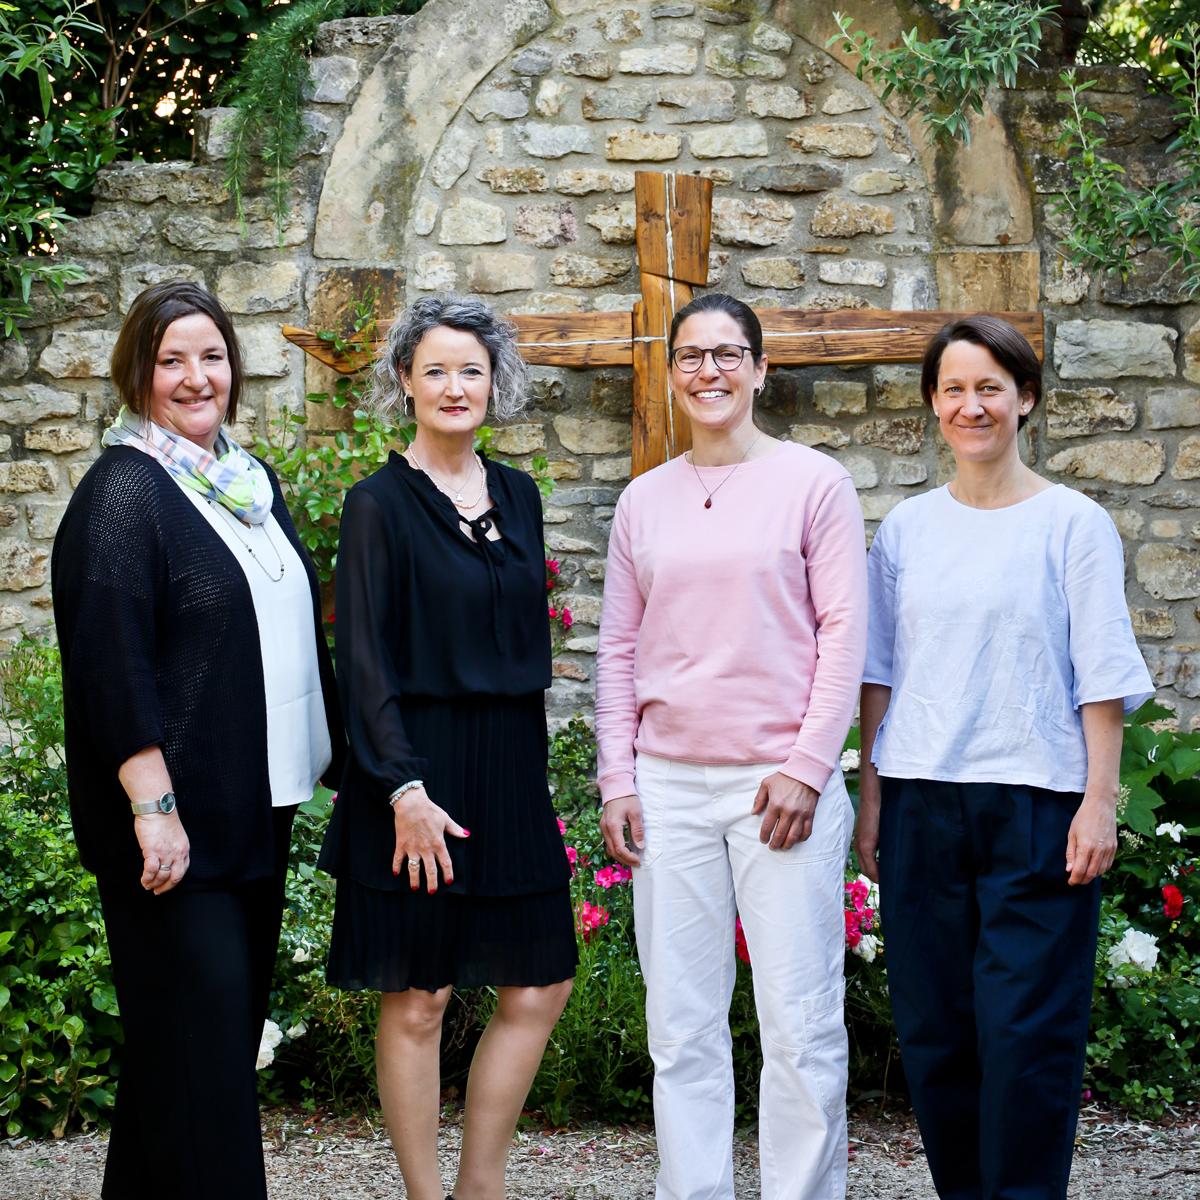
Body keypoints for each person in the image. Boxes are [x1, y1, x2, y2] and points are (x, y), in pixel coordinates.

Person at [51, 280, 343, 1200]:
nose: (194, 376)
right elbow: (111, 664)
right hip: (174, 833)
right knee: (212, 1069)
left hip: (252, 812)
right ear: (138, 372)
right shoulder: (124, 493)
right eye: (171, 359)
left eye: (210, 356)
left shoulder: (249, 486)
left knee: (180, 1060)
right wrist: (154, 808)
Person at [854, 315, 1154, 1200]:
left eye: (990, 387)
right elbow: (878, 676)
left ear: (1024, 397)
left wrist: (1100, 800)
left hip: (1037, 806)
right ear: (933, 405)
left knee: (1027, 1033)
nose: (970, 405)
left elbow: (1101, 671)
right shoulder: (906, 529)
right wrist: (872, 801)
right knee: (937, 1032)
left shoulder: (1074, 523)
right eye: (953, 389)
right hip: (919, 801)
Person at [595, 292, 868, 1200]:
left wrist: (806, 768)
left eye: (726, 354)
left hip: (777, 784)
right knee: (681, 1028)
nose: (707, 371)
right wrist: (616, 778)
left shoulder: (815, 484)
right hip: (668, 787)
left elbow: (843, 632)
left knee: (798, 1024)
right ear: (671, 374)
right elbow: (618, 649)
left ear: (760, 369)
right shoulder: (643, 500)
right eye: (690, 357)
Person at [318, 295, 575, 1200]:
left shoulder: (521, 494)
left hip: (508, 766)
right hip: (417, 775)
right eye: (435, 370)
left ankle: (482, 1186)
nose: (455, 386)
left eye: (472, 369)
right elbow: (365, 663)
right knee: (420, 996)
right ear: (404, 383)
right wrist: (401, 788)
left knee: (541, 981)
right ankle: (427, 1197)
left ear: (494, 381)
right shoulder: (377, 505)